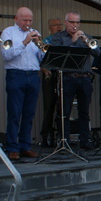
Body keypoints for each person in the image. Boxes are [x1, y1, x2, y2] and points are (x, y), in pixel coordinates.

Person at [49, 11, 99, 150]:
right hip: (67, 78)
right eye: (72, 22)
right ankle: (64, 141)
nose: (75, 25)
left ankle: (85, 140)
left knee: (84, 112)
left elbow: (98, 53)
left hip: (85, 79)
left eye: (77, 22)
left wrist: (87, 43)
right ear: (66, 23)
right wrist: (73, 41)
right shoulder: (58, 37)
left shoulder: (86, 37)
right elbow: (59, 55)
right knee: (65, 111)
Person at [0, 7, 44, 160]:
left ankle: (25, 146)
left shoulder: (35, 32)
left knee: (29, 113)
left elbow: (40, 58)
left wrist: (41, 48)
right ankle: (13, 147)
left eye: (30, 20)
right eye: (25, 20)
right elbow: (7, 55)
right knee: (14, 113)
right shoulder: (8, 32)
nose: (28, 23)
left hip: (32, 75)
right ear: (16, 18)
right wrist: (25, 42)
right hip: (16, 75)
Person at [39, 18, 63, 147]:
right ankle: (46, 136)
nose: (59, 27)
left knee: (62, 107)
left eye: (60, 25)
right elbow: (38, 59)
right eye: (56, 25)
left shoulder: (64, 40)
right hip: (50, 75)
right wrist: (44, 69)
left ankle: (61, 135)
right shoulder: (46, 41)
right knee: (49, 107)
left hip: (62, 75)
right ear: (50, 27)